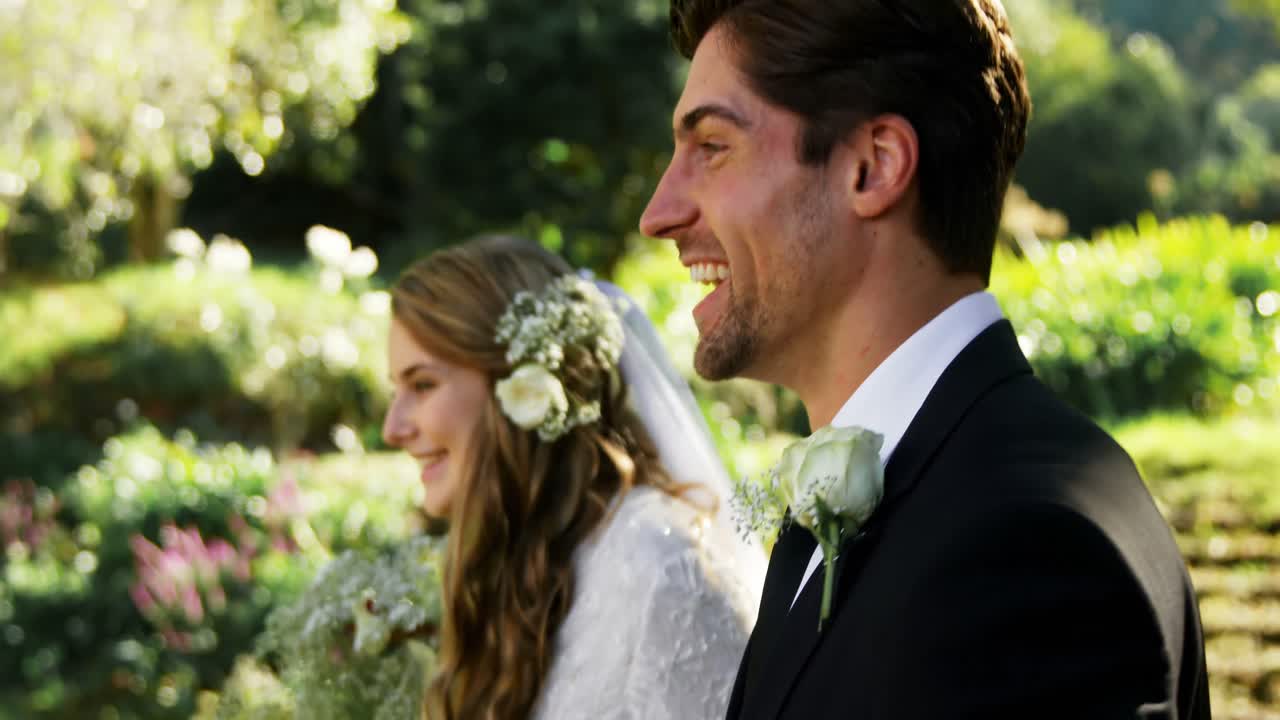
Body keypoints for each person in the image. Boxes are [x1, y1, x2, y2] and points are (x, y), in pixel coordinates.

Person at [639, 1, 1211, 718]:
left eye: (712, 147)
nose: (658, 214)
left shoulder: (1028, 551)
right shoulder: (850, 506)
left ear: (873, 167)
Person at [381, 234, 766, 720]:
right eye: (396, 390)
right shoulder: (513, 555)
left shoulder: (663, 573)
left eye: (422, 385)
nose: (392, 428)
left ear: (519, 381)